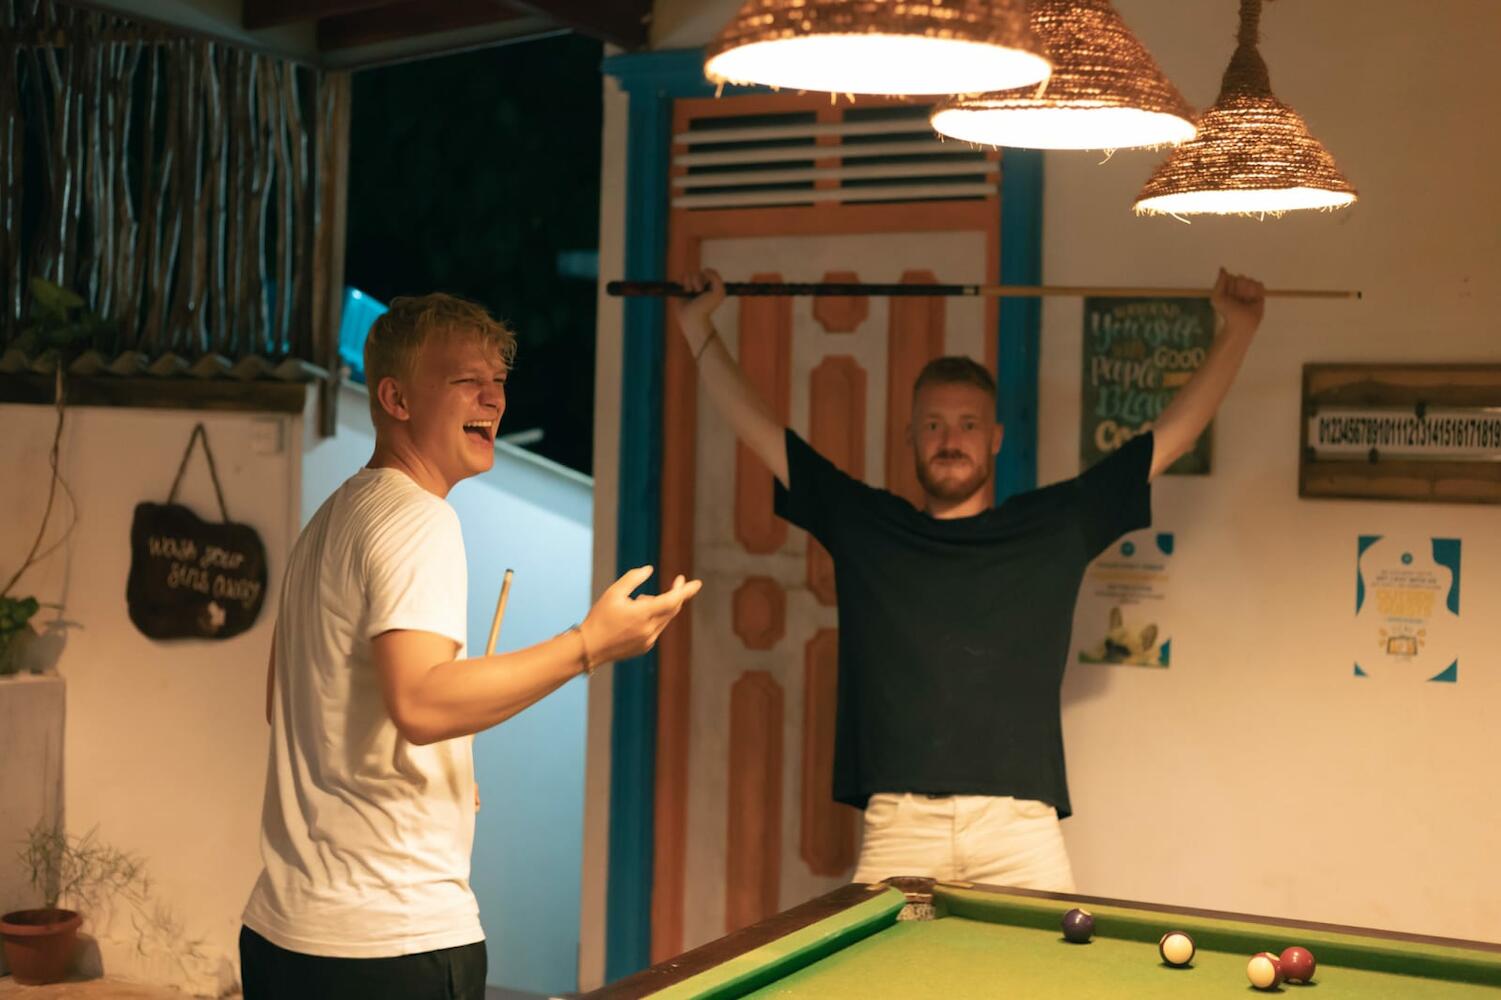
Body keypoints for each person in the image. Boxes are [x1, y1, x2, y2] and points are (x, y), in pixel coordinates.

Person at [674, 268, 1264, 891]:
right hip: (900, 827)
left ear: (995, 438)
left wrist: (1238, 332)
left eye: (967, 424)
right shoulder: (867, 526)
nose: (949, 440)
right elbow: (763, 433)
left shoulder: (1054, 526)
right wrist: (698, 328)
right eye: (933, 425)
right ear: (911, 437)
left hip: (1020, 833)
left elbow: (1166, 440)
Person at [241, 293, 700, 999]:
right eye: (466, 380)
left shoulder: (334, 516)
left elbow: (291, 701)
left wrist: (428, 775)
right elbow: (421, 704)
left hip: (285, 934)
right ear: (394, 397)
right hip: (387, 942)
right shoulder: (417, 521)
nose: (493, 397)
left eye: (498, 380)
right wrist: (588, 645)